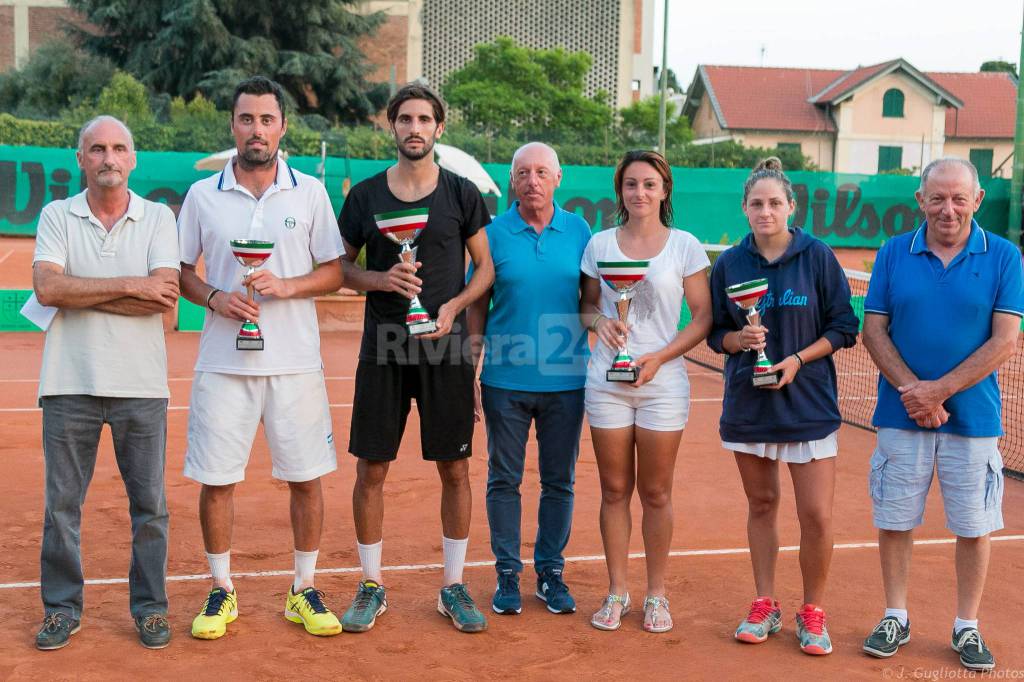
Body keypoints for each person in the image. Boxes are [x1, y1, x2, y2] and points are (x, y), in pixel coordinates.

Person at [177, 76, 345, 639]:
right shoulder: (203, 195)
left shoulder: (310, 192)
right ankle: (222, 590)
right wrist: (216, 297)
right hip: (224, 362)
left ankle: (303, 588)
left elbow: (335, 271)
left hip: (296, 363)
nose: (257, 130)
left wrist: (289, 287)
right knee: (216, 478)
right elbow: (181, 272)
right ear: (233, 125)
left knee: (307, 477)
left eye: (267, 120)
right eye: (246, 119)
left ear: (282, 127)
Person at [337, 83, 494, 633]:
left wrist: (452, 308)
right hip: (382, 346)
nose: (414, 128)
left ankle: (453, 585)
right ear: (391, 126)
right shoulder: (364, 198)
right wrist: (380, 278)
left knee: (455, 466)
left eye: (424, 119)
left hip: (445, 348)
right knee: (371, 467)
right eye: (405, 119)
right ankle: (371, 585)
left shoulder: (461, 192)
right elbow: (341, 267)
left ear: (439, 128)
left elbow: (486, 270)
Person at [860, 157, 1023, 671]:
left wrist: (940, 392)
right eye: (937, 198)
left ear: (977, 200)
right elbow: (874, 331)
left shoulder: (1004, 256)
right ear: (920, 201)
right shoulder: (891, 253)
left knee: (974, 527)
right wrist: (914, 392)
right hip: (900, 414)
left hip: (974, 420)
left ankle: (966, 626)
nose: (947, 209)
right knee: (895, 521)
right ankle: (895, 615)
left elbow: (1005, 340)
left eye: (958, 198)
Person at [32, 116, 179, 650]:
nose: (108, 158)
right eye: (97, 149)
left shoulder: (159, 217)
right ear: (81, 158)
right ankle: (62, 609)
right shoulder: (56, 215)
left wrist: (84, 290)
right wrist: (130, 286)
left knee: (151, 507)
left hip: (142, 386)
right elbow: (48, 289)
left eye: (118, 148)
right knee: (61, 506)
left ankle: (151, 608)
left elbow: (164, 299)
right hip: (68, 384)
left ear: (133, 159)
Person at [707, 157, 859, 655]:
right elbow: (713, 334)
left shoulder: (817, 256)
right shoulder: (730, 263)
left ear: (791, 206)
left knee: (815, 514)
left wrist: (794, 359)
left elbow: (844, 327)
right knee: (763, 504)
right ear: (745, 209)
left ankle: (812, 611)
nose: (765, 211)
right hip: (749, 405)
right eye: (756, 203)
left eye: (775, 202)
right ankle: (765, 602)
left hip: (808, 403)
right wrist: (739, 338)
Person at [580, 150, 712, 633]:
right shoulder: (598, 244)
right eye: (631, 184)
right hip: (606, 383)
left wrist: (659, 358)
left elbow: (702, 317)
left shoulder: (684, 246)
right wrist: (601, 324)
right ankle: (617, 591)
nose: (640, 193)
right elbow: (586, 305)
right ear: (620, 191)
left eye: (649, 185)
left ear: (664, 191)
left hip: (663, 384)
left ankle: (656, 594)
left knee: (656, 492)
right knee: (614, 489)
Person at [466, 142, 592, 616]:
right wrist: (471, 368)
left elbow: (592, 301)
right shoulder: (492, 234)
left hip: (567, 380)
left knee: (559, 481)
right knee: (504, 478)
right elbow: (477, 303)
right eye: (523, 172)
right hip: (505, 380)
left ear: (558, 178)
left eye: (542, 172)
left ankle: (551, 572)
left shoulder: (579, 230)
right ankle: (506, 574)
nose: (532, 180)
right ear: (512, 180)